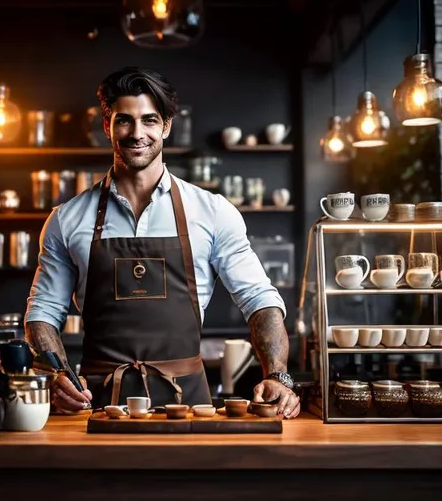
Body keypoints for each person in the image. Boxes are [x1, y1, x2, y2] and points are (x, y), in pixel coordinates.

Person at [24, 66, 300, 419]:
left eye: (150, 120)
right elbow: (43, 312)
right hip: (98, 408)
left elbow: (259, 300)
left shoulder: (212, 211)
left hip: (189, 408)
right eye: (124, 120)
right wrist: (56, 374)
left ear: (166, 125)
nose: (137, 133)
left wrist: (277, 374)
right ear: (106, 125)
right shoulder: (68, 219)